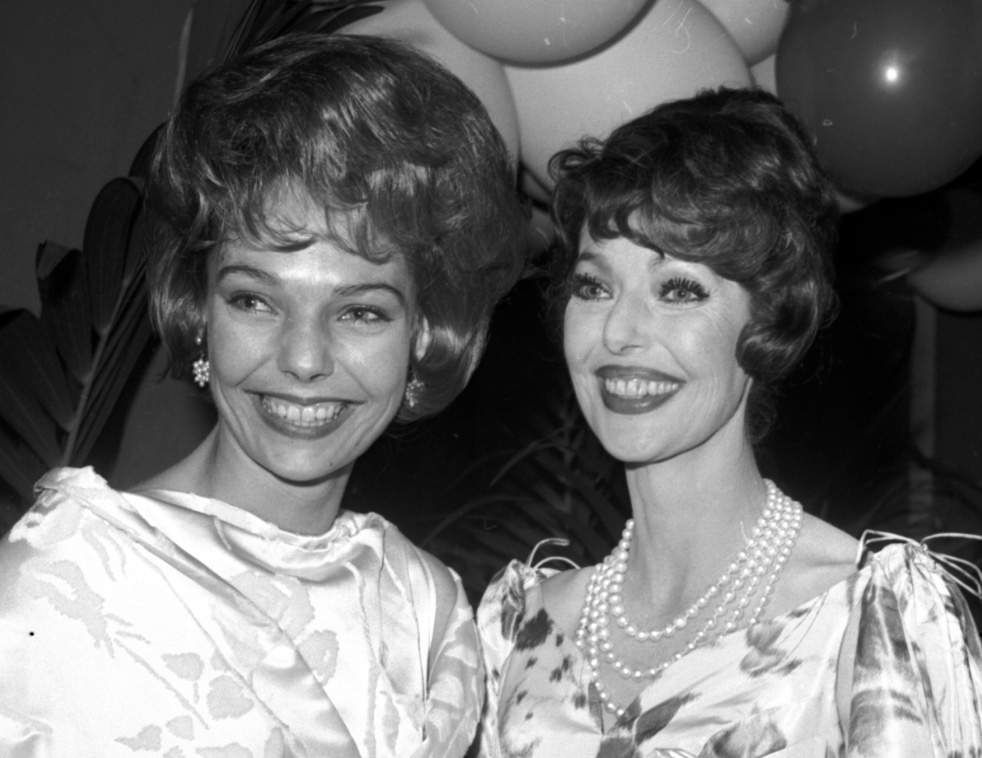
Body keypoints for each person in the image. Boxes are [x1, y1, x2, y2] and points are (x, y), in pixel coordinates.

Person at [0, 32, 526, 757]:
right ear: (200, 314)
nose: (303, 359)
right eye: (255, 301)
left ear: (424, 335)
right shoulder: (64, 582)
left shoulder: (423, 606)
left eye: (360, 311)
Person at [476, 87, 982, 757]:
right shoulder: (520, 625)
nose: (618, 332)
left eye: (678, 290)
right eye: (594, 287)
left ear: (770, 320)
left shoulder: (864, 620)